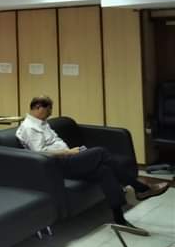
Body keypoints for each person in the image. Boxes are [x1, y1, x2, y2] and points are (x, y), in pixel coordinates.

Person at [17, 96, 169, 234]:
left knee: (104, 170)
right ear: (38, 107)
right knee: (101, 152)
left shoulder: (42, 124)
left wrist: (72, 152)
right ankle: (140, 188)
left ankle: (119, 218)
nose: (50, 113)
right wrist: (68, 153)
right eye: (48, 109)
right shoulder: (29, 127)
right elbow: (39, 153)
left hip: (68, 157)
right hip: (58, 165)